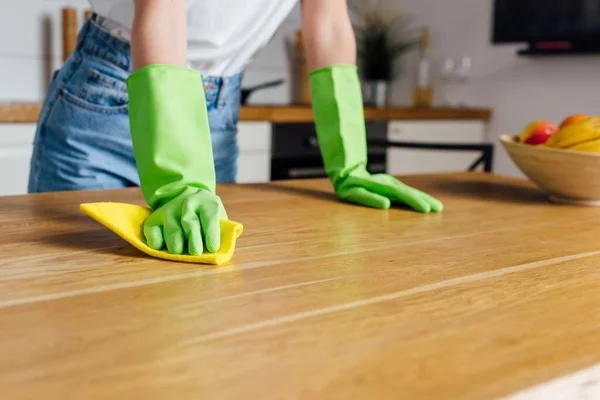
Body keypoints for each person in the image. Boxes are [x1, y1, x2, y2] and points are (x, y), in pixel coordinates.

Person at [28, 0, 443, 256]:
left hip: (215, 109)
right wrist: (179, 181)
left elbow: (330, 23)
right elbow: (161, 16)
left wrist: (350, 163)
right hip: (109, 94)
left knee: (190, 300)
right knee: (80, 300)